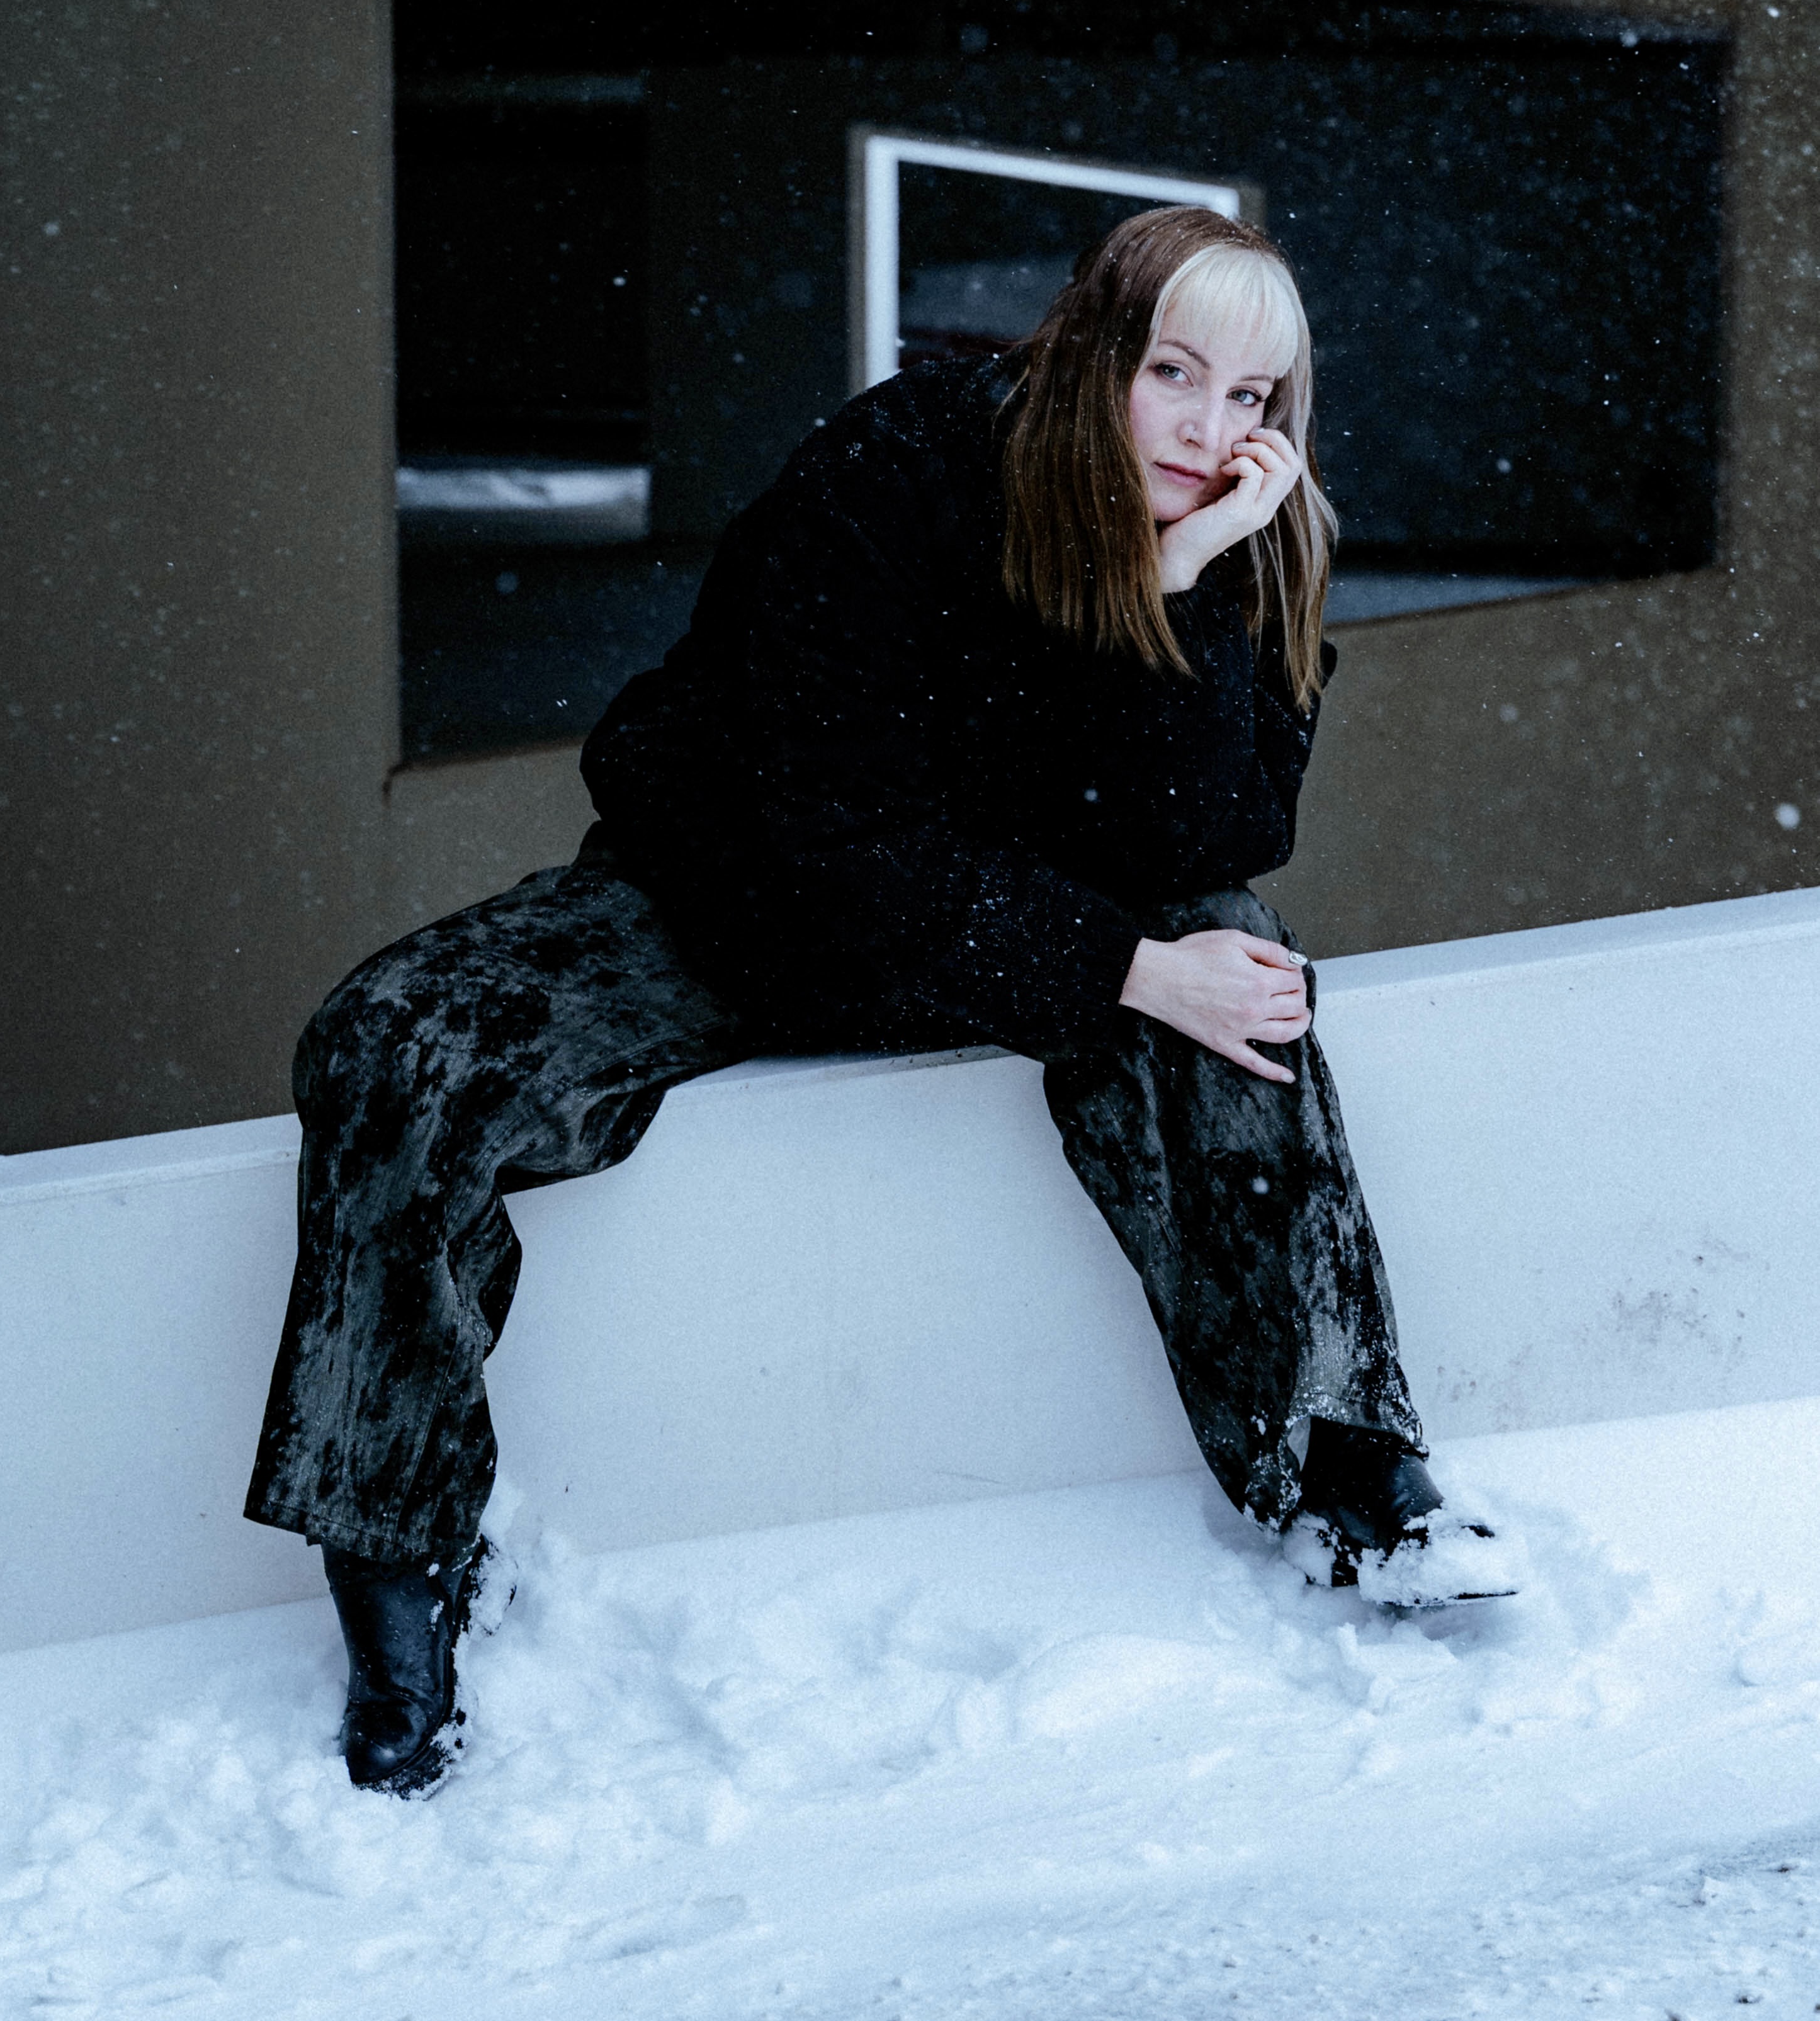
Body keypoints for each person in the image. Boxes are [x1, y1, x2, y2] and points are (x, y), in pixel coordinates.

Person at [246, 205, 1509, 1801]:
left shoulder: (1247, 542)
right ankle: (402, 1541)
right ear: (1089, 349)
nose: (1209, 430)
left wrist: (1180, 591)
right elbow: (830, 827)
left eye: (1250, 397)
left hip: (1006, 931)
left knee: (1241, 965)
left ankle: (1344, 1459)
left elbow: (1211, 838)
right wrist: (1122, 967)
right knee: (394, 1036)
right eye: (1172, 372)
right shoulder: (902, 467)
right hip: (739, 908)